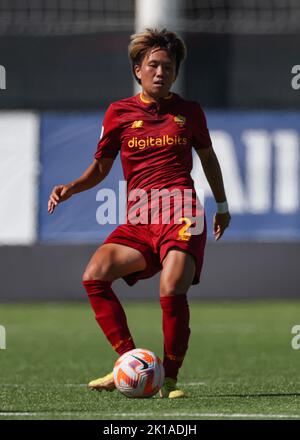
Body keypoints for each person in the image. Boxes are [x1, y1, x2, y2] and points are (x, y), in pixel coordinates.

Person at [48, 28, 231, 398]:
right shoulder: (118, 113)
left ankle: (172, 378)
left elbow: (209, 159)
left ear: (176, 73)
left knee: (171, 287)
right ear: (137, 70)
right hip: (139, 218)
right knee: (95, 275)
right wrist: (71, 187)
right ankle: (129, 362)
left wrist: (223, 206)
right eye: (153, 65)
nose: (161, 72)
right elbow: (100, 168)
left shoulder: (189, 112)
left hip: (182, 213)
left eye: (168, 66)